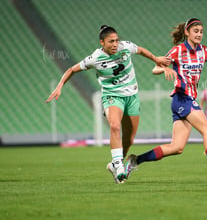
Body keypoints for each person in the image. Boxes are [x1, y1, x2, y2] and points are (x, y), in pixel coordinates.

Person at [45, 25, 170, 184]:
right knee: (115, 126)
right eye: (111, 41)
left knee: (129, 139)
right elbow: (72, 69)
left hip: (132, 95)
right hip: (112, 96)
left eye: (116, 40)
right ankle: (118, 166)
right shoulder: (95, 58)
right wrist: (60, 85)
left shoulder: (125, 47)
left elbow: (141, 50)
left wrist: (156, 59)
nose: (115, 44)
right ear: (102, 42)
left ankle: (114, 164)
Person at [125, 18, 207, 181]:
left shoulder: (205, 52)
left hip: (185, 100)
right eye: (196, 31)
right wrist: (165, 69)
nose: (199, 34)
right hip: (182, 98)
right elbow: (155, 68)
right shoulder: (177, 50)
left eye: (201, 32)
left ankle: (135, 160)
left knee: (177, 147)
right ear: (187, 32)